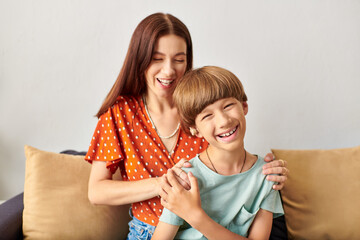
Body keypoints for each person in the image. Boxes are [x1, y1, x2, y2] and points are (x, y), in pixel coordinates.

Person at [85, 13, 288, 240]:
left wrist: (268, 172)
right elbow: (96, 191)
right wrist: (164, 185)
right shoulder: (119, 114)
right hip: (150, 230)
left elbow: (233, 165)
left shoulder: (203, 110)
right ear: (140, 60)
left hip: (209, 230)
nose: (169, 70)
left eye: (179, 60)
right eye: (157, 58)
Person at [152, 66, 284, 240]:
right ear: (195, 130)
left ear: (244, 106)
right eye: (207, 116)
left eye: (228, 106)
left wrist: (196, 216)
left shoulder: (266, 175)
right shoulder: (186, 178)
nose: (223, 121)